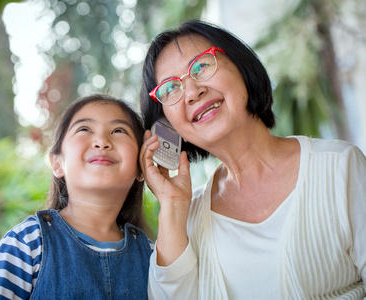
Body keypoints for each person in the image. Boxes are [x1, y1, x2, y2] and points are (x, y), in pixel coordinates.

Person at [139, 19, 366, 299]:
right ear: (167, 125)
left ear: (241, 67)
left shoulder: (340, 167)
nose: (192, 92)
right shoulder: (185, 220)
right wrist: (173, 207)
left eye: (201, 66)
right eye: (170, 89)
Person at [0, 94, 153, 300]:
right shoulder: (27, 243)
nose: (102, 141)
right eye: (84, 129)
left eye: (119, 130)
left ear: (142, 167)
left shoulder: (151, 255)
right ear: (57, 163)